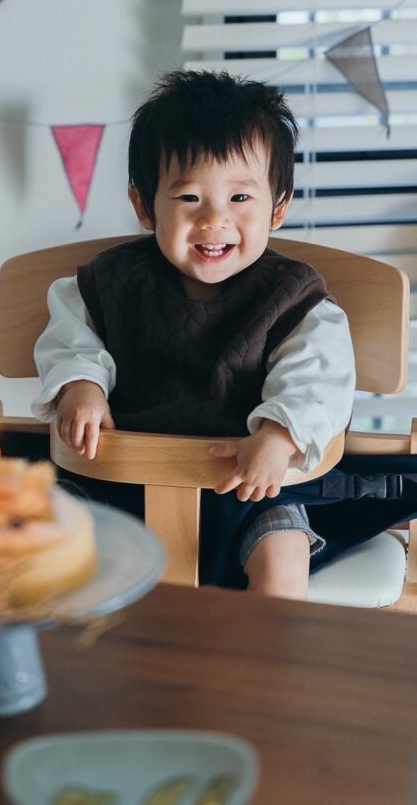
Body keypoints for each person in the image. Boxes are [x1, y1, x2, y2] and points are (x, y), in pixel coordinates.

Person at [31, 69, 356, 600]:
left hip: (250, 485)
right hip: (115, 478)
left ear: (278, 207)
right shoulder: (109, 283)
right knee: (49, 543)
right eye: (187, 199)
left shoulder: (294, 298)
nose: (213, 221)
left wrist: (281, 435)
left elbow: (318, 378)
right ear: (143, 206)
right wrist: (80, 387)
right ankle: (80, 667)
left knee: (283, 556)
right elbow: (72, 337)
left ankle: (264, 678)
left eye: (239, 199)